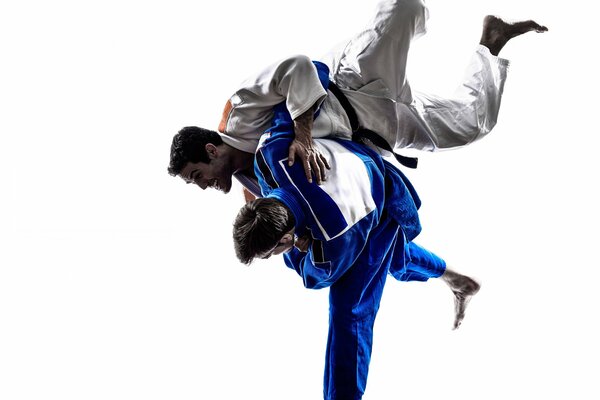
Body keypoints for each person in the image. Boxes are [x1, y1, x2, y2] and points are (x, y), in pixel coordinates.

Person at [168, 0, 547, 189]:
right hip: (378, 134)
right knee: (471, 126)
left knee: (406, 7)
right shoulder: (249, 181)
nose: (204, 186)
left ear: (212, 150)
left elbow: (297, 66)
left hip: (354, 85)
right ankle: (492, 42)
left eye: (197, 175)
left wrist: (301, 134)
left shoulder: (236, 112)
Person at [232, 121, 479, 399]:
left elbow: (314, 278)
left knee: (349, 309)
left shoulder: (334, 237)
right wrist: (302, 134)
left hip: (378, 205)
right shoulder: (270, 154)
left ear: (286, 239)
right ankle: (458, 280)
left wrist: (300, 251)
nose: (272, 257)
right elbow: (283, 113)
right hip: (360, 175)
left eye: (270, 254)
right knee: (390, 259)